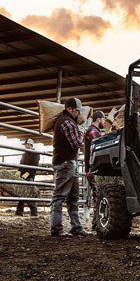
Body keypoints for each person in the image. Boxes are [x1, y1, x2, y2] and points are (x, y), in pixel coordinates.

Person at [50, 98, 88, 237]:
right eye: (77, 110)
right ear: (70, 109)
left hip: (68, 163)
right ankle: (57, 229)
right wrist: (82, 131)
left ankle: (76, 227)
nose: (79, 113)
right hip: (66, 163)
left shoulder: (64, 121)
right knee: (60, 196)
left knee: (72, 197)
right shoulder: (67, 122)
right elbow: (76, 143)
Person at [16, 138, 41, 217]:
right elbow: (21, 164)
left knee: (28, 194)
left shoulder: (35, 154)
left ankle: (34, 212)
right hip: (22, 176)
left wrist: (27, 174)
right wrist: (18, 172)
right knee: (22, 193)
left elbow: (34, 166)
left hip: (29, 176)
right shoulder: (24, 154)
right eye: (26, 144)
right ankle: (19, 212)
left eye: (27, 144)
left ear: (30, 145)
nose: (26, 146)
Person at [83, 111, 105, 175]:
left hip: (91, 166)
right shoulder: (93, 131)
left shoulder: (93, 130)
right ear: (98, 119)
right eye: (103, 119)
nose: (104, 122)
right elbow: (100, 145)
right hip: (92, 167)